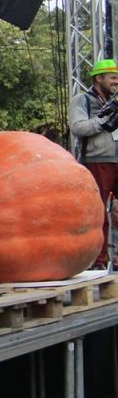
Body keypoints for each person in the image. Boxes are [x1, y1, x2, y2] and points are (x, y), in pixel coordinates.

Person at [69, 58, 118, 269]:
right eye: (113, 78)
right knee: (99, 213)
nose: (116, 82)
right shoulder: (83, 100)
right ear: (99, 78)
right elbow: (78, 127)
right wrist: (104, 121)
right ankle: (98, 262)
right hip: (97, 161)